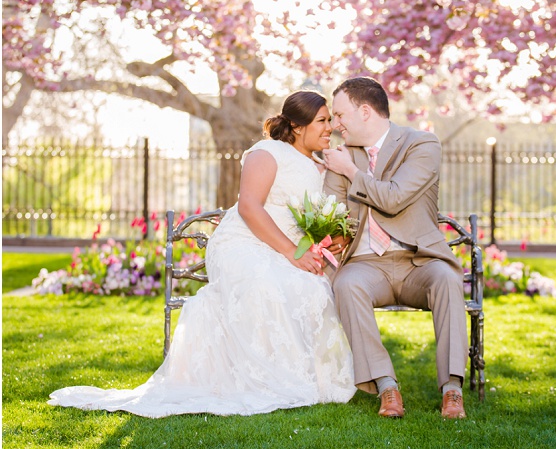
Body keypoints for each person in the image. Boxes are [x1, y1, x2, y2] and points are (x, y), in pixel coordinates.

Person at [48, 92, 356, 417]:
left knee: (311, 288)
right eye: (322, 121)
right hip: (243, 244)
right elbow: (250, 208)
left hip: (287, 248)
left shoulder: (321, 165)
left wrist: (330, 238)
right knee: (265, 281)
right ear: (296, 125)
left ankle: (303, 377)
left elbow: (317, 215)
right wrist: (294, 253)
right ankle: (259, 379)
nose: (330, 128)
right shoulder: (267, 153)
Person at [320, 76, 469, 420]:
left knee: (447, 280)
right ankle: (387, 387)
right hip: (367, 264)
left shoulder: (421, 144)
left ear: (366, 111)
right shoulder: (342, 156)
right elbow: (331, 210)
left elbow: (395, 197)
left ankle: (452, 390)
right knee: (346, 284)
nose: (335, 124)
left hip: (419, 261)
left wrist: (350, 171)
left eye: (340, 115)